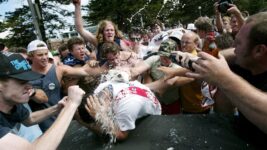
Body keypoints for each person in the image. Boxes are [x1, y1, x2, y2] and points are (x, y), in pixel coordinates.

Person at [185, 11, 267, 147]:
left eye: (238, 43)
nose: (233, 48)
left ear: (259, 51)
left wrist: (224, 78)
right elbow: (224, 114)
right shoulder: (245, 63)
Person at [0, 52, 85, 149]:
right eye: (22, 82)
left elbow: (29, 119)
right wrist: (71, 105)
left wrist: (57, 108)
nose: (29, 87)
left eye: (28, 81)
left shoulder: (11, 102)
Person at [27, 39, 103, 132]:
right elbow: (43, 98)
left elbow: (84, 71)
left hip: (64, 119)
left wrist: (93, 62)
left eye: (46, 54)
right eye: (40, 55)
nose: (44, 57)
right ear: (30, 56)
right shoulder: (25, 77)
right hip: (43, 125)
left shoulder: (58, 70)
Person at [73, 0, 131, 66]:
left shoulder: (120, 42)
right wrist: (77, 6)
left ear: (115, 32)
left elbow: (132, 55)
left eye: (112, 30)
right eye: (107, 30)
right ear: (102, 32)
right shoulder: (97, 42)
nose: (110, 32)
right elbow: (80, 29)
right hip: (104, 72)